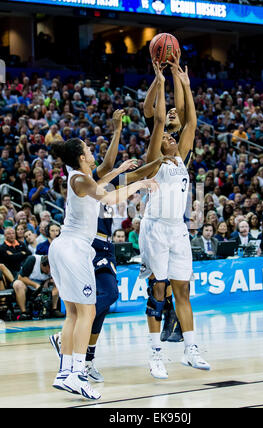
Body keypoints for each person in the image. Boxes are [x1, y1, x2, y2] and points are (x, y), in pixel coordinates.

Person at [48, 132, 158, 399]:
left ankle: (65, 373)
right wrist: (140, 184)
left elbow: (98, 185)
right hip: (75, 249)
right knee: (86, 313)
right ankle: (76, 373)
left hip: (63, 248)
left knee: (73, 314)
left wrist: (117, 172)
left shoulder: (78, 178)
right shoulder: (81, 179)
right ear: (82, 157)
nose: (91, 150)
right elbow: (109, 199)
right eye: (88, 148)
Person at [139, 61, 210, 380]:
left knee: (183, 291)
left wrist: (186, 84)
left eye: (171, 135)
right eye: (166, 135)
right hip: (154, 230)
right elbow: (157, 121)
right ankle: (155, 354)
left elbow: (191, 121)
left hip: (178, 230)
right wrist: (161, 81)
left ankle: (191, 349)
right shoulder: (154, 159)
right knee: (159, 291)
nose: (169, 137)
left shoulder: (181, 155)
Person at [12, 254, 63, 320]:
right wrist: (35, 285)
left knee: (57, 284)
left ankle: (54, 309)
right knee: (17, 284)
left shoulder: (52, 268)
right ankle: (23, 312)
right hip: (26, 285)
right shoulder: (32, 260)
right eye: (49, 269)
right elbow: (21, 277)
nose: (50, 271)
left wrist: (49, 281)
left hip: (42, 287)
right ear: (43, 265)